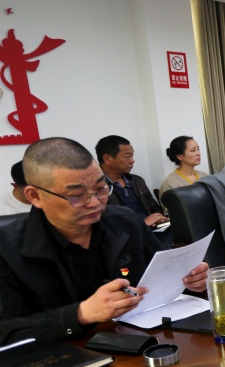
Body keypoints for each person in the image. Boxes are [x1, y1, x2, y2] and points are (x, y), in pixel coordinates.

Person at [0, 137, 208, 345]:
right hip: (60, 354)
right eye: (77, 196)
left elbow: (162, 272)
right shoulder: (7, 249)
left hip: (135, 342)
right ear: (35, 196)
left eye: (101, 189)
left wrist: (191, 280)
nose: (94, 203)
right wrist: (82, 313)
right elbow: (6, 331)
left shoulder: (125, 221)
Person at [96, 135, 169, 228]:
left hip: (154, 229)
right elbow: (107, 225)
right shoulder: (96, 188)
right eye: (127, 156)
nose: (132, 161)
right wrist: (143, 224)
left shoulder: (137, 180)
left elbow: (154, 207)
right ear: (107, 159)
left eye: (132, 156)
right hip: (129, 234)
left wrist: (158, 219)